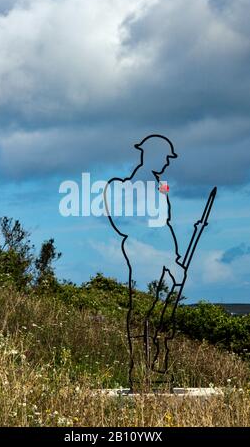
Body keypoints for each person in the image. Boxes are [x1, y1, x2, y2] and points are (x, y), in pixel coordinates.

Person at [104, 135, 185, 390]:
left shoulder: (156, 182)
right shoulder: (142, 183)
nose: (166, 163)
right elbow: (151, 228)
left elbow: (163, 222)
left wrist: (173, 259)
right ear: (149, 154)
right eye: (164, 157)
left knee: (158, 316)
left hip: (161, 256)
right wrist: (170, 261)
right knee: (146, 315)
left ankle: (153, 368)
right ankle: (144, 370)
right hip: (148, 255)